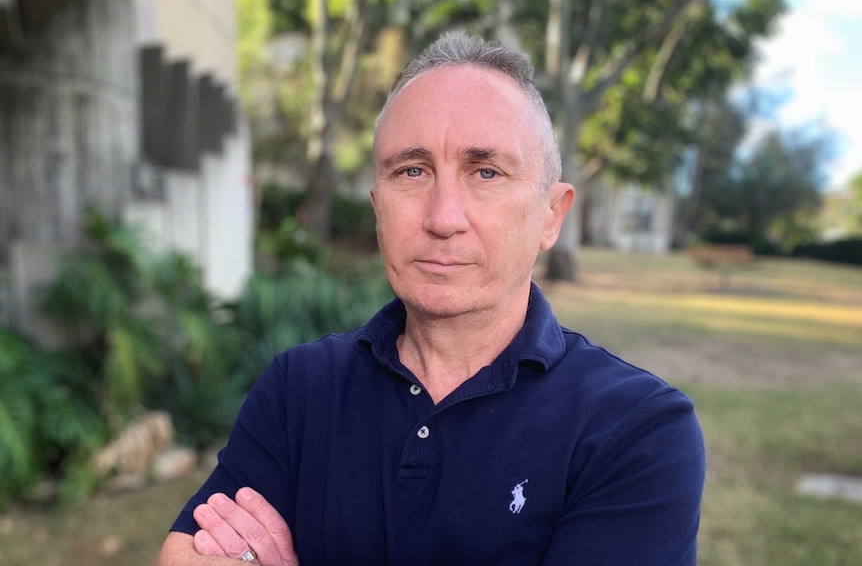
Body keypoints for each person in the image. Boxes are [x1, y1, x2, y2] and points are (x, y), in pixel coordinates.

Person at [158, 33, 705, 566]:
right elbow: (183, 554)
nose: (443, 218)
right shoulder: (298, 388)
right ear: (377, 208)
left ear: (551, 215)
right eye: (412, 170)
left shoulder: (638, 430)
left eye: (485, 172)